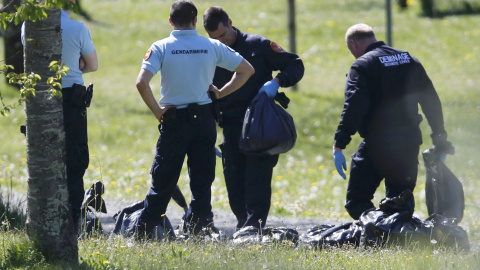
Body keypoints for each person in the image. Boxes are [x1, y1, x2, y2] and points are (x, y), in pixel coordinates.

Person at [135, 0, 254, 237]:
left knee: (164, 178)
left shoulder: (161, 47)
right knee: (202, 180)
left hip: (174, 119)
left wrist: (158, 112)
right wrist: (221, 92)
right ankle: (198, 228)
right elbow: (246, 70)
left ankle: (146, 230)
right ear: (194, 20)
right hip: (204, 119)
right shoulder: (211, 45)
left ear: (171, 22)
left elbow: (141, 82)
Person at [332, 23, 454, 220]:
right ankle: (394, 236)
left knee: (356, 201)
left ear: (354, 44)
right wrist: (439, 137)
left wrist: (339, 143)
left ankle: (378, 233)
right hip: (409, 142)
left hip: (378, 145)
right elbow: (431, 100)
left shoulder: (362, 65)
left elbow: (354, 106)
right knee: (400, 202)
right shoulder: (409, 60)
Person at [202, 7, 304, 232]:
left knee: (257, 179)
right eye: (214, 38)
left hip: (260, 123)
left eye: (223, 35)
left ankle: (254, 227)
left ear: (230, 22)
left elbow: (295, 64)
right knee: (234, 180)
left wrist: (277, 82)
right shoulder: (210, 51)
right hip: (230, 123)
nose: (221, 42)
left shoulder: (257, 45)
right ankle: (244, 227)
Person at [22, 0, 99, 226]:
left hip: (40, 98)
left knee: (44, 156)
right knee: (74, 159)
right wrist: (77, 64)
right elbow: (93, 65)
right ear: (72, 2)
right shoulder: (78, 28)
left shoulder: (28, 25)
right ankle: (74, 220)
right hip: (72, 99)